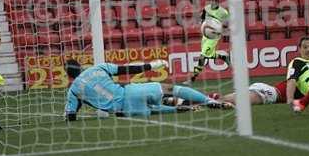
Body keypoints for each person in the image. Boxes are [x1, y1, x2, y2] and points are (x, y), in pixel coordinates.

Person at [64, 59, 228, 121]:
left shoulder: (73, 90)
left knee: (153, 110)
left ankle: (179, 108)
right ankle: (208, 100)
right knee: (170, 88)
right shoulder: (98, 68)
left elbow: (71, 116)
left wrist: (68, 114)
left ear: (69, 75)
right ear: (80, 66)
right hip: (128, 92)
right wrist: (151, 65)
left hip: (123, 110)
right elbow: (129, 69)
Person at [191, 0, 230, 83]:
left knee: (202, 56)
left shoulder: (224, 12)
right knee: (209, 55)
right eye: (212, 0)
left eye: (216, 1)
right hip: (205, 35)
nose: (214, 2)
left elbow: (226, 25)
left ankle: (193, 77)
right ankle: (223, 57)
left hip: (214, 37)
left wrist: (218, 31)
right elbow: (202, 18)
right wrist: (201, 24)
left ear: (218, 1)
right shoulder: (206, 8)